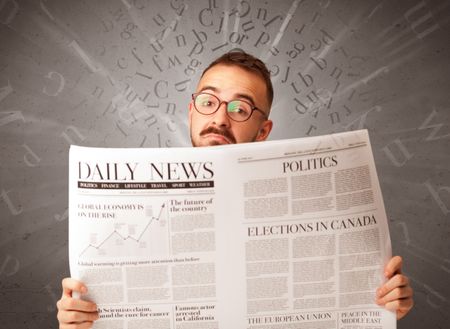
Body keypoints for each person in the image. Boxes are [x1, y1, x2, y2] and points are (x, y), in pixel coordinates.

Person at [57, 51, 414, 328]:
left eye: (240, 108)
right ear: (192, 112)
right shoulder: (129, 211)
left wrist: (381, 307)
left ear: (262, 130)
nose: (220, 119)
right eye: (209, 102)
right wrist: (80, 322)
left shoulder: (307, 211)